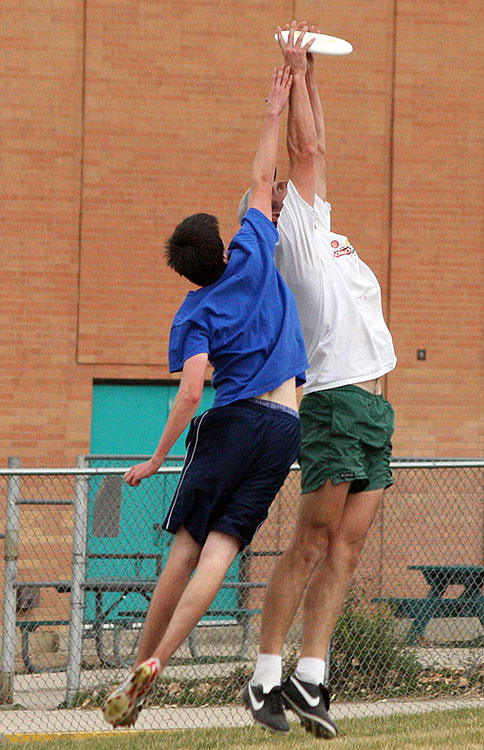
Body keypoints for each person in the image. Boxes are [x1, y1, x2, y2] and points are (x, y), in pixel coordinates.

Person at [101, 62, 310, 731]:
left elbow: (192, 391)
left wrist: (158, 457)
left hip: (234, 422)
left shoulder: (193, 311)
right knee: (223, 551)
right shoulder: (253, 249)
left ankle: (139, 664)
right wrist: (274, 106)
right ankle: (159, 662)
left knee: (187, 548)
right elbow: (258, 178)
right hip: (284, 429)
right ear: (222, 242)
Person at [241, 22, 397, 738]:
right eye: (280, 186)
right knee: (310, 540)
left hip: (373, 405)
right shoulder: (291, 236)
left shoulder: (322, 221)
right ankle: (264, 675)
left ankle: (311, 678)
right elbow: (309, 148)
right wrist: (292, 72)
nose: (293, 182)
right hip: (334, 401)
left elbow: (316, 144)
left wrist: (310, 74)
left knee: (349, 546)